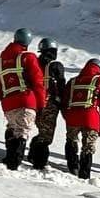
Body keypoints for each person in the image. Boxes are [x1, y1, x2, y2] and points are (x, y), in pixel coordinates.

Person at [0, 28, 46, 170]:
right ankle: (14, 163)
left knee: (12, 128)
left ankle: (10, 159)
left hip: (8, 103)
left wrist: (3, 99)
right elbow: (38, 83)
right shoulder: (28, 57)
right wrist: (41, 105)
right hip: (26, 100)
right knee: (22, 131)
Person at [63, 58, 100, 179]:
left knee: (71, 140)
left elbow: (64, 102)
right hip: (91, 118)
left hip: (73, 117)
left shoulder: (73, 81)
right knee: (88, 146)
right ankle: (84, 173)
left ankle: (72, 166)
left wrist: (67, 117)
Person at [27, 37, 66, 171]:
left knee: (42, 132)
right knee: (46, 135)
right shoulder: (55, 66)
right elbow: (61, 86)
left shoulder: (33, 64)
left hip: (34, 102)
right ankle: (39, 161)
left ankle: (33, 154)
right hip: (49, 104)